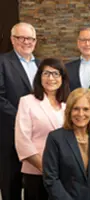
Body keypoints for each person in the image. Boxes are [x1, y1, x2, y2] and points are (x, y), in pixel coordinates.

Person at [15, 58, 69, 200]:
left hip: (64, 174)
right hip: (36, 172)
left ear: (62, 78)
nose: (51, 78)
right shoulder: (27, 101)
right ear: (39, 77)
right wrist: (47, 170)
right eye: (46, 73)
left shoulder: (67, 104)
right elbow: (22, 141)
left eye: (56, 74)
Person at [43, 88, 90, 200]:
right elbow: (51, 179)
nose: (81, 114)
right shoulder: (55, 138)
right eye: (76, 109)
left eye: (86, 109)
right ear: (69, 111)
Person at [0, 22, 39, 200]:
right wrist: (22, 118)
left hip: (37, 135)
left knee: (35, 181)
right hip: (10, 133)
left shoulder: (41, 65)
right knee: (11, 182)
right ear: (12, 40)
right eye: (21, 38)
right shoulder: (2, 62)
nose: (26, 42)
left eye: (30, 38)